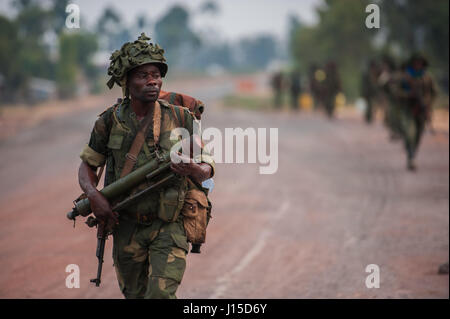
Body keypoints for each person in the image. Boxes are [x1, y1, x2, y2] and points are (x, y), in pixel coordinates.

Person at [77, 33, 215, 298]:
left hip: (169, 225)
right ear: (126, 82)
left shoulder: (180, 117)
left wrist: (195, 170)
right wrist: (94, 196)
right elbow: (87, 167)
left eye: (156, 74)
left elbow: (207, 166)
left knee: (160, 296)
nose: (152, 81)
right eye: (143, 75)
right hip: (126, 227)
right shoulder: (109, 122)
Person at [396, 53, 437, 171]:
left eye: (420, 63)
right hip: (407, 109)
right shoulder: (405, 77)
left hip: (422, 111)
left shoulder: (427, 77)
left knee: (418, 135)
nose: (418, 65)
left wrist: (427, 102)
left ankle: (412, 154)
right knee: (410, 133)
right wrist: (408, 95)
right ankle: (411, 156)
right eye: (416, 62)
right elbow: (397, 92)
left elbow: (434, 93)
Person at [361, 60, 380, 124]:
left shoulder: (376, 73)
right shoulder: (366, 74)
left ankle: (370, 116)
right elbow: (364, 85)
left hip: (374, 93)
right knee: (369, 105)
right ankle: (369, 117)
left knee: (373, 105)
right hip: (368, 93)